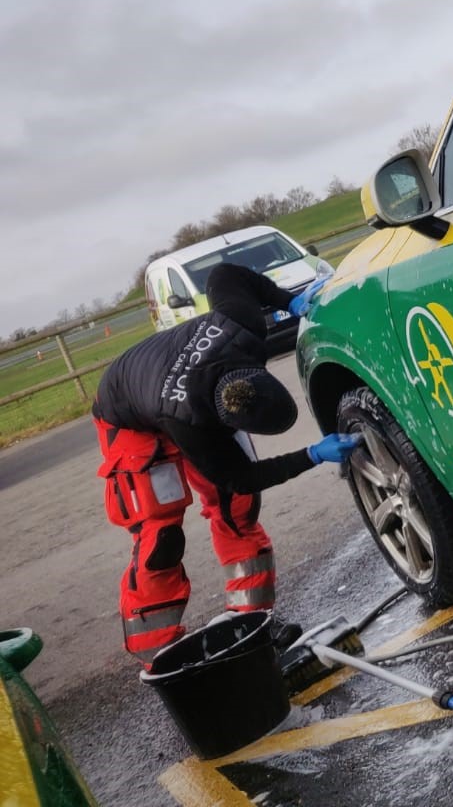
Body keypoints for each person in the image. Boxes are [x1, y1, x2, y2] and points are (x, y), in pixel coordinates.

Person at [93, 261, 360, 664]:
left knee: (237, 511)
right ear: (223, 422)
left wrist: (289, 300)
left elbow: (226, 275)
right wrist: (311, 455)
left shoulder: (242, 327)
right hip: (128, 413)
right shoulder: (188, 422)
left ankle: (252, 622)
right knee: (161, 534)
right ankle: (160, 651)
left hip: (180, 383)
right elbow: (241, 476)